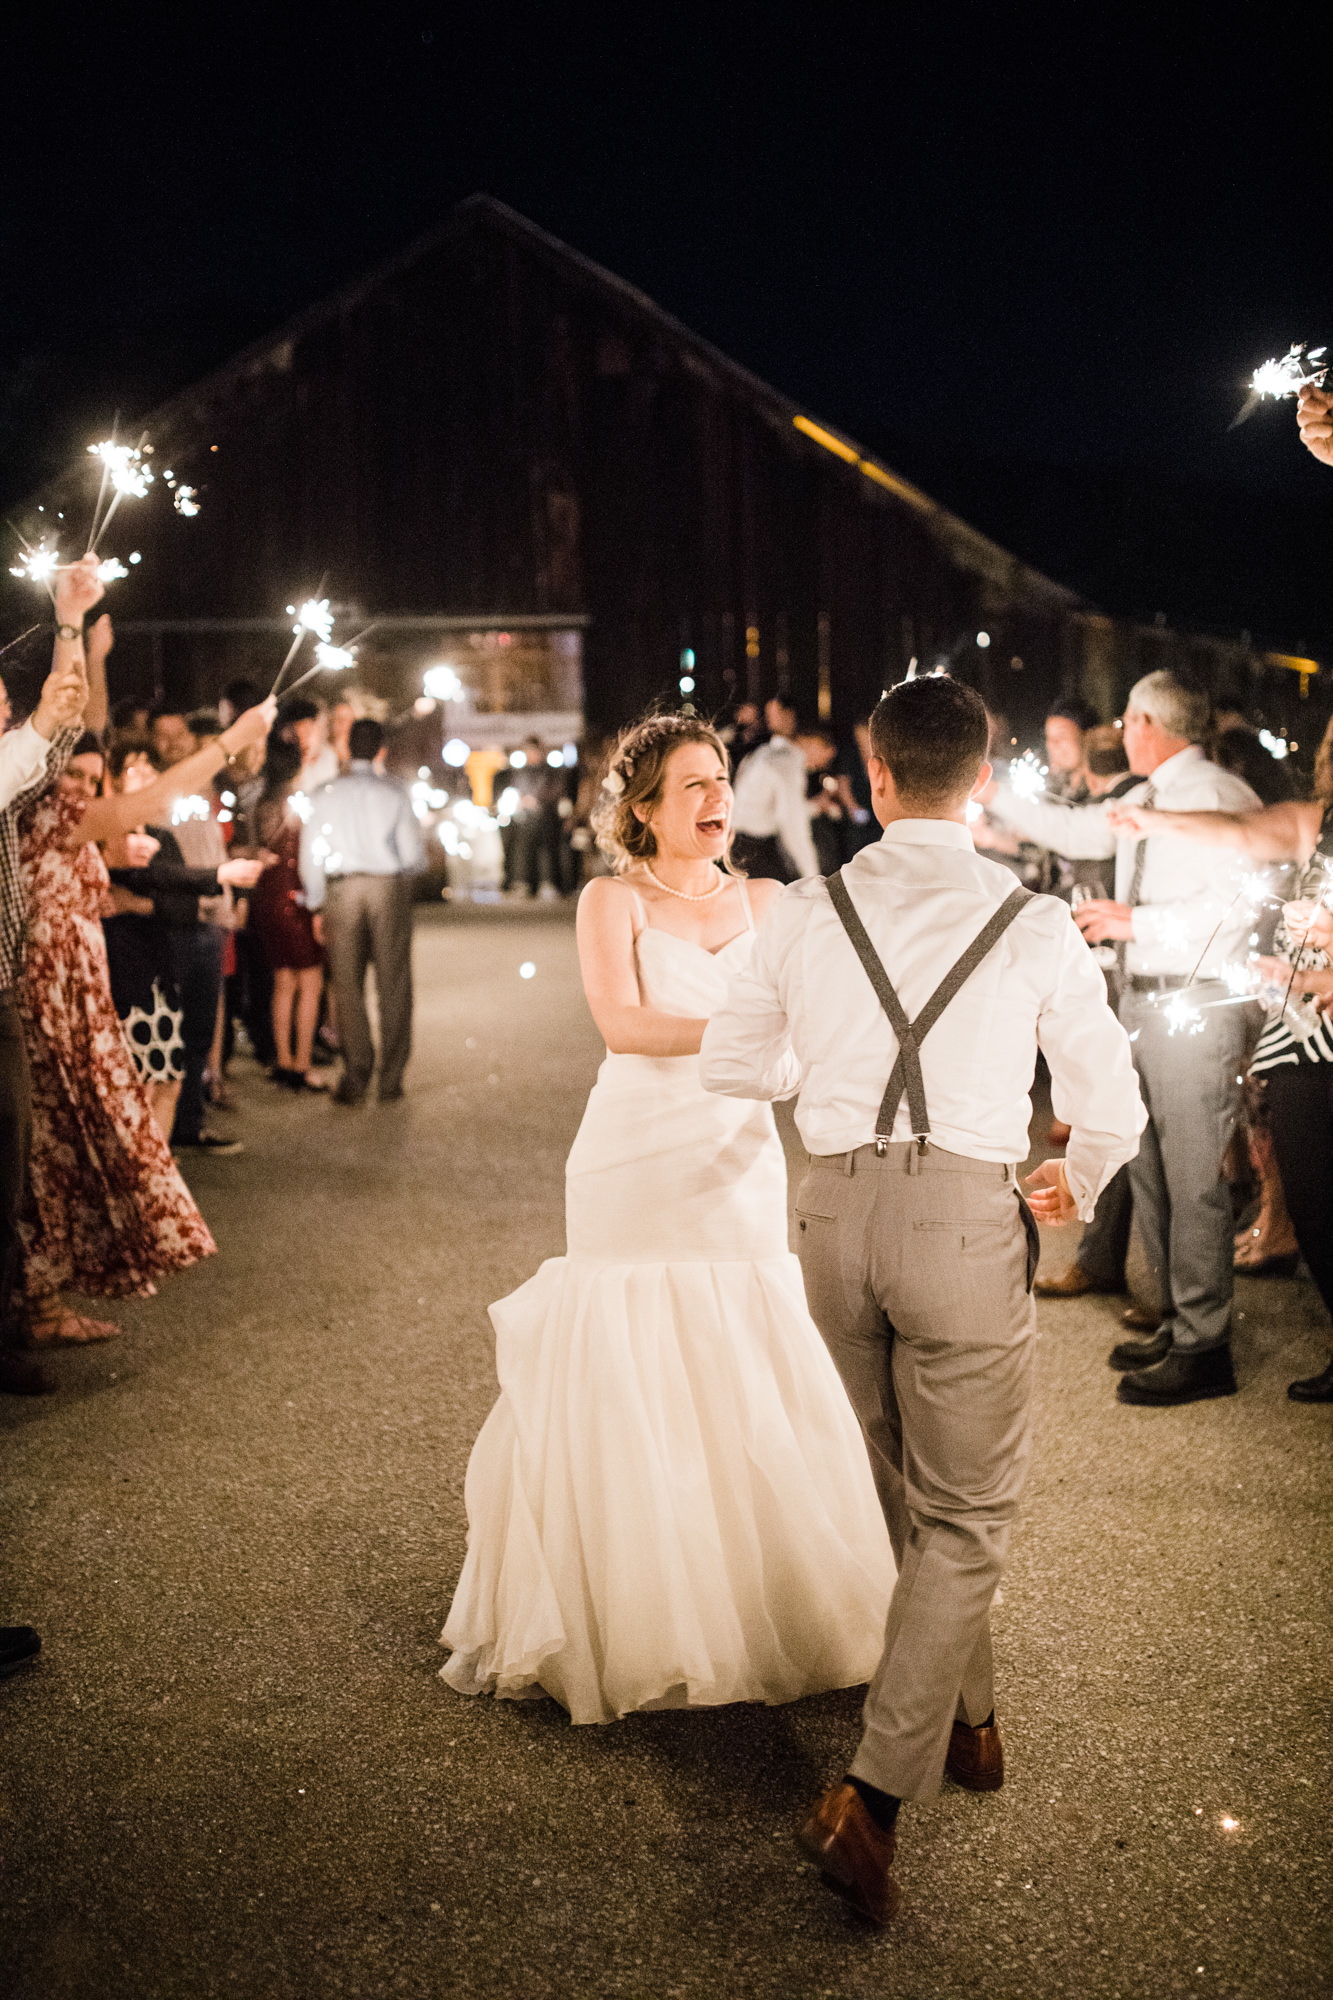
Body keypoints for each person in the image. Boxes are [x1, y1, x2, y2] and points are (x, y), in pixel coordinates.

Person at [699, 673, 1143, 1926]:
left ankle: (975, 1719)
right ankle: (872, 1796)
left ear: (878, 777)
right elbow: (1111, 1102)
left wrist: (825, 1068)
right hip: (961, 1218)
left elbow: (736, 1065)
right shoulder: (1037, 920)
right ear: (985, 781)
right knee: (968, 1513)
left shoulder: (807, 909)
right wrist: (1079, 1178)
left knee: (906, 1493)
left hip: (830, 1218)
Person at [439, 712, 894, 1724]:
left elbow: (819, 1016)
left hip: (736, 1157)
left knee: (746, 1339)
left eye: (719, 776)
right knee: (633, 1350)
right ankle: (635, 1600)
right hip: (633, 1151)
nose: (713, 795)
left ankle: (759, 1592)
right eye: (689, 782)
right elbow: (623, 1024)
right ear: (643, 808)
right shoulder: (611, 899)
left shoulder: (772, 898)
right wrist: (745, 1033)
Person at [985, 670, 1262, 1404]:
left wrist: (1133, 923)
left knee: (1194, 1177)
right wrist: (989, 792)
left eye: (1129, 718)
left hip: (1193, 1004)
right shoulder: (1146, 796)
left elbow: (1229, 909)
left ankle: (1205, 1345)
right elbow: (1077, 831)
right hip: (1142, 998)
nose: (1121, 729)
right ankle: (1176, 1318)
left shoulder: (1218, 799)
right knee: (1149, 1168)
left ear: (1150, 723)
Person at [15, 689, 274, 1334]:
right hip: (46, 1003)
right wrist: (230, 740)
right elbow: (148, 794)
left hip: (80, 998)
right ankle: (33, 1302)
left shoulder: (69, 823)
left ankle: (38, 1298)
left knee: (64, 1151)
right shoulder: (43, 815)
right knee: (52, 1152)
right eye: (69, 772)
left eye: (89, 777)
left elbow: (87, 716)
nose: (79, 785)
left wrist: (80, 628)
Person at [1107, 711, 1333, 1402]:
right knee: (1312, 1198)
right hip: (1300, 1034)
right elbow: (1239, 832)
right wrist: (1157, 823)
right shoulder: (1314, 820)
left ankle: (1203, 1339)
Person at [0, 561, 100, 1394]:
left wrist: (69, 622)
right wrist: (35, 720)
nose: (6, 707)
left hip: (1, 993)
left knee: (8, 1162)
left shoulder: (15, 765)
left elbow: (62, 732)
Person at [299, 717, 424, 1104]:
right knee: (394, 983)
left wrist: (316, 899)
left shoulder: (324, 792)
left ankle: (355, 1075)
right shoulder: (396, 792)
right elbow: (414, 856)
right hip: (386, 888)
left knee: (347, 985)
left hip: (341, 888)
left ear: (347, 748)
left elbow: (310, 854)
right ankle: (391, 1079)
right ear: (381, 749)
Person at [247, 738, 329, 1090]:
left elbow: (258, 847)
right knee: (310, 982)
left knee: (282, 981)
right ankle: (302, 1063)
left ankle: (281, 1059)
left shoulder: (259, 803)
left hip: (267, 892)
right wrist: (318, 904)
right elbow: (312, 856)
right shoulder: (301, 804)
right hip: (297, 893)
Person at [729, 696, 819, 879]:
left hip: (738, 845)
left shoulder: (766, 752)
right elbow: (792, 823)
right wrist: (813, 877)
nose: (770, 720)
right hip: (752, 850)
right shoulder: (783, 759)